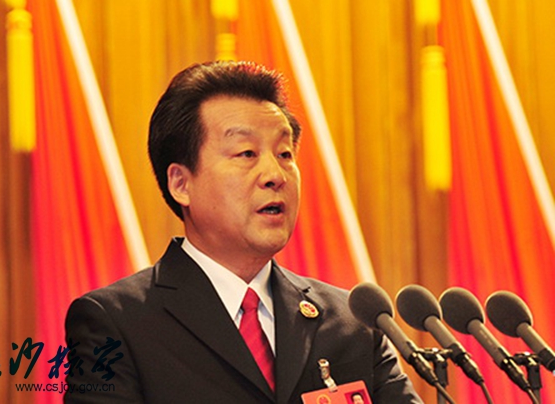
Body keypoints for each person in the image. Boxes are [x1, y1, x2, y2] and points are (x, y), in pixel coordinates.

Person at [64, 60, 422, 403]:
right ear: (181, 184)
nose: (275, 175)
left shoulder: (353, 322)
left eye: (284, 154)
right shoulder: (117, 323)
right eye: (246, 153)